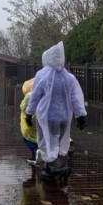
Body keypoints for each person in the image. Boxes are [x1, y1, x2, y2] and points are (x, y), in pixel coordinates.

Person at [25, 41, 87, 187]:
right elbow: (75, 98)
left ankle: (58, 168)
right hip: (64, 117)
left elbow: (35, 96)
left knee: (46, 142)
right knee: (57, 143)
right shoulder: (69, 77)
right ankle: (48, 171)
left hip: (47, 116)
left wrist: (29, 113)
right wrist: (81, 116)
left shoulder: (42, 75)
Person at [20, 78, 39, 165]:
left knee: (26, 138)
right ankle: (37, 153)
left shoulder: (29, 96)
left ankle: (35, 152)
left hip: (28, 119)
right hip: (38, 119)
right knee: (36, 137)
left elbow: (23, 106)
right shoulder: (41, 94)